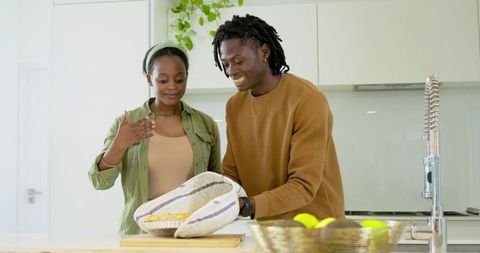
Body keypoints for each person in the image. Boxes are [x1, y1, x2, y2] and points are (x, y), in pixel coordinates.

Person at [212, 14, 345, 220]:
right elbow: (232, 171)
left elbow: (303, 186)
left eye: (238, 61)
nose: (231, 71)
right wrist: (214, 197)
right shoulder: (234, 106)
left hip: (317, 232)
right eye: (226, 63)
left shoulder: (308, 100)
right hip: (270, 231)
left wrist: (247, 205)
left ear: (264, 51)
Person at [89, 43, 221, 235]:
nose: (172, 87)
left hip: (192, 235)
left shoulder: (205, 124)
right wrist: (120, 144)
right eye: (163, 80)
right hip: (139, 237)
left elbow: (216, 185)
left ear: (186, 78)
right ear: (150, 79)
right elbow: (99, 182)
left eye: (179, 79)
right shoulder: (127, 122)